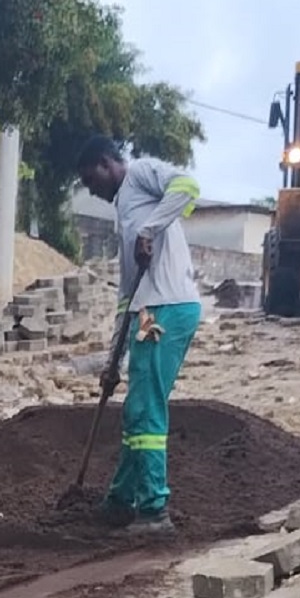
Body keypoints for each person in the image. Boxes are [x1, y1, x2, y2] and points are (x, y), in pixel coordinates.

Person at [76, 136, 202, 532]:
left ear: (105, 162)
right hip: (148, 311)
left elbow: (187, 187)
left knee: (146, 407)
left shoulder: (142, 172)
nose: (91, 190)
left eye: (90, 179)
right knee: (137, 407)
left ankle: (153, 509)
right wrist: (115, 358)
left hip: (167, 307)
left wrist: (150, 229)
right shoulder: (123, 213)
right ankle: (121, 499)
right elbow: (126, 298)